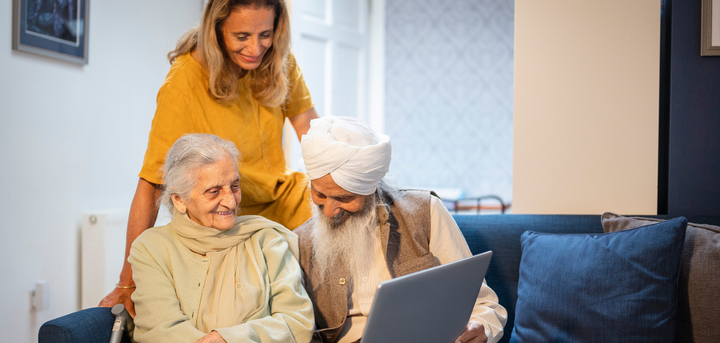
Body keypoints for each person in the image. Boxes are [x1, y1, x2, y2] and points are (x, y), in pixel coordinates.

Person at [100, 0, 319, 316]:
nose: (255, 48)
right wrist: (126, 281)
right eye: (241, 36)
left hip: (283, 201)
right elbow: (152, 183)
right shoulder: (183, 82)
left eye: (265, 34)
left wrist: (338, 178)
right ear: (216, 29)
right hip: (227, 217)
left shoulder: (277, 60)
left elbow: (308, 127)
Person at [294, 116, 508, 343]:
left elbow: (483, 304)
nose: (329, 211)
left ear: (370, 189)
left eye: (344, 198)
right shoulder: (300, 242)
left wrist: (482, 328)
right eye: (319, 194)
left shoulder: (425, 211)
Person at [129, 133, 314, 343]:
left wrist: (229, 339)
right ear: (179, 200)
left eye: (234, 186)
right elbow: (160, 329)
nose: (230, 202)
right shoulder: (151, 248)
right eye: (214, 191)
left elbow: (297, 321)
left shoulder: (266, 240)